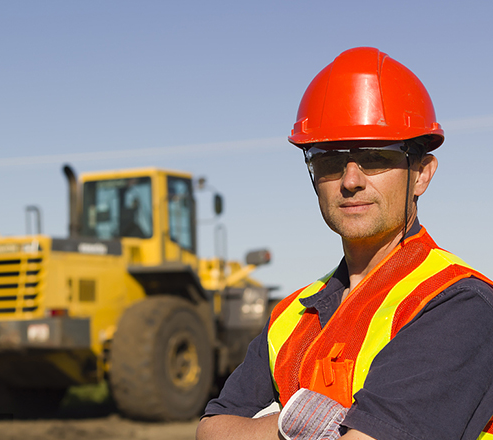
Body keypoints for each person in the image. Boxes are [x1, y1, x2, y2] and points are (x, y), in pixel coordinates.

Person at [196, 47, 493, 440]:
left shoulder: (457, 305)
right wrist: (291, 424)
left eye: (374, 157)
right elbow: (210, 430)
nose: (350, 180)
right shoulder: (291, 317)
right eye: (329, 159)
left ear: (421, 174)